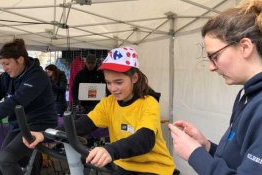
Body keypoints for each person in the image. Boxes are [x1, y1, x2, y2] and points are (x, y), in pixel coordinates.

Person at [168, 0, 262, 174]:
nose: (211, 67)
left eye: (215, 56)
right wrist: (207, 147)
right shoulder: (252, 94)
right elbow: (242, 162)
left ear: (245, 47)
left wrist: (194, 154)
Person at [24, 47, 175, 175]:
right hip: (124, 165)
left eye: (118, 82)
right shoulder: (109, 103)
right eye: (108, 83)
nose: (113, 88)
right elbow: (84, 124)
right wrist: (43, 135)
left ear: (134, 78)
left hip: (155, 168)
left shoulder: (148, 103)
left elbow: (145, 139)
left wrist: (110, 149)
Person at [0, 39, 57, 175]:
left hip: (39, 124)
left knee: (6, 160)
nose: (4, 68)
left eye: (7, 64)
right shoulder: (6, 77)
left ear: (20, 59)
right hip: (19, 125)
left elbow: (14, 102)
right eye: (2, 65)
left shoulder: (37, 77)